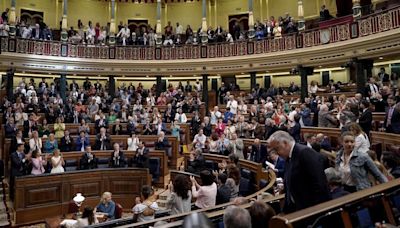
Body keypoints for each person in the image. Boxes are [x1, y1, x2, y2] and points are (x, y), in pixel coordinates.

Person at [267, 131, 330, 213]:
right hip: (297, 209)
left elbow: (319, 184)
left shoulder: (305, 153)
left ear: (285, 143)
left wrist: (313, 212)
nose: (277, 153)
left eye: (277, 149)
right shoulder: (288, 157)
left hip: (310, 211)